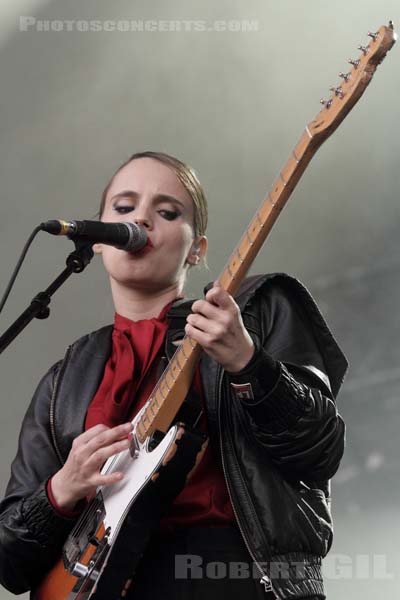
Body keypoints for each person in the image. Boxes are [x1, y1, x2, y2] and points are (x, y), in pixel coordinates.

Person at [0, 151, 347, 600]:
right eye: (124, 208)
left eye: (166, 212)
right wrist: (59, 491)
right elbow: (10, 563)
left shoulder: (253, 312)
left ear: (196, 249)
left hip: (229, 579)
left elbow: (319, 450)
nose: (141, 217)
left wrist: (249, 362)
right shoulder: (64, 380)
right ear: (99, 238)